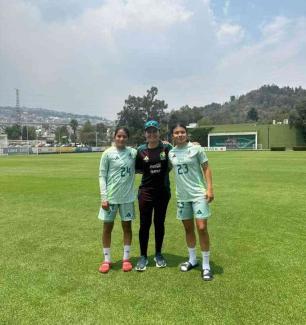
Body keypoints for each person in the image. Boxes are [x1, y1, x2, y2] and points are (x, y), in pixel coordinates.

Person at [169, 123, 214, 281]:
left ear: (187, 134)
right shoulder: (171, 152)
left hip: (198, 195)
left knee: (201, 228)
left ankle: (206, 265)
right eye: (176, 133)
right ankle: (193, 260)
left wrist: (209, 189)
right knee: (188, 229)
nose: (180, 135)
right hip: (182, 197)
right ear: (173, 136)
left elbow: (206, 168)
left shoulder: (197, 149)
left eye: (182, 132)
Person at [98, 127, 137, 273]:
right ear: (114, 137)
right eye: (119, 136)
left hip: (127, 198)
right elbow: (102, 176)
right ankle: (107, 259)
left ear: (127, 138)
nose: (121, 139)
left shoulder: (133, 153)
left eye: (124, 136)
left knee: (127, 227)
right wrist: (104, 197)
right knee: (107, 228)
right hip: (111, 198)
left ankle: (126, 258)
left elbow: (149, 150)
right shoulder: (107, 153)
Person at [135, 120, 172, 271]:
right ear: (145, 134)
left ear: (159, 132)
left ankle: (158, 254)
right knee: (144, 225)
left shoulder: (167, 147)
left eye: (154, 131)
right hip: (145, 192)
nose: (152, 134)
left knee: (159, 223)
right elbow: (138, 169)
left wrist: (193, 143)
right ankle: (143, 256)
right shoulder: (140, 150)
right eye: (149, 131)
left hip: (163, 192)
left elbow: (176, 156)